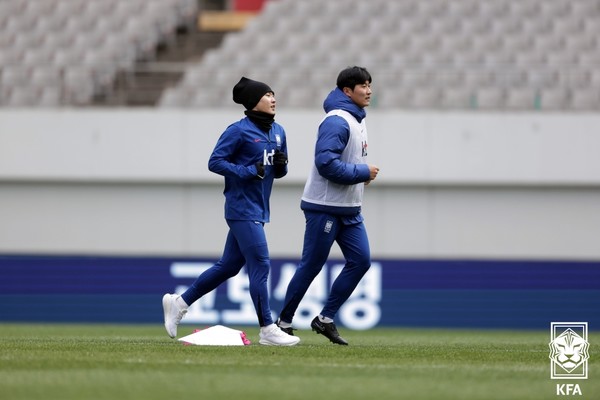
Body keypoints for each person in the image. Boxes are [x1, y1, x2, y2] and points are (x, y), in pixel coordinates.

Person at [162, 77, 300, 346]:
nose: (273, 99)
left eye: (274, 94)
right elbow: (215, 162)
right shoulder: (238, 131)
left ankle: (179, 302)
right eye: (267, 95)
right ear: (253, 102)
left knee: (228, 266)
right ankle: (267, 329)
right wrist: (247, 171)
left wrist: (282, 166)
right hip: (240, 207)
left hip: (259, 208)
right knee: (260, 263)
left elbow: (278, 171)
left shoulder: (279, 130)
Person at [276, 66, 379, 345]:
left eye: (370, 85)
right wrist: (360, 173)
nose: (369, 90)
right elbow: (326, 164)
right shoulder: (337, 121)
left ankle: (325, 319)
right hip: (324, 206)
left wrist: (359, 178)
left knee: (361, 261)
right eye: (363, 86)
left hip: (349, 208)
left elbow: (342, 163)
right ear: (347, 91)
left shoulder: (357, 118)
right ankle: (283, 323)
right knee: (312, 265)